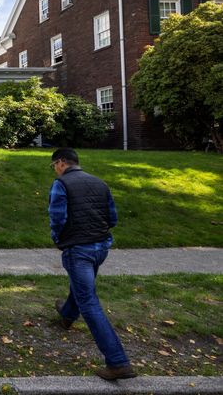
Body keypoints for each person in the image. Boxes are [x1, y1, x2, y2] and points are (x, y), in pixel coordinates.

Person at [48, 148, 136, 380]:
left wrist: (58, 239)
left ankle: (118, 362)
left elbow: (57, 217)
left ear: (61, 163)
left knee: (89, 301)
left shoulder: (61, 185)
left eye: (54, 166)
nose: (55, 171)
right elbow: (113, 218)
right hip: (100, 247)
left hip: (78, 250)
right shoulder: (100, 183)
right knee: (81, 287)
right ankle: (67, 314)